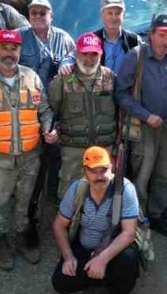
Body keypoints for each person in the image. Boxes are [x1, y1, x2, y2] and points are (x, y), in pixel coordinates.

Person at [0, 29, 57, 270]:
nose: (9, 53)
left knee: (25, 202)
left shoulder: (32, 77)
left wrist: (48, 128)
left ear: (19, 51)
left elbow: (45, 111)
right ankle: (0, 240)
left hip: (30, 158)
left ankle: (22, 235)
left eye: (14, 48)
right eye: (4, 47)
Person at [115, 15, 167, 237]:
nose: (166, 41)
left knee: (166, 175)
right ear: (151, 35)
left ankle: (155, 216)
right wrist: (146, 115)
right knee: (142, 176)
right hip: (144, 127)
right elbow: (120, 93)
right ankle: (136, 220)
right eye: (162, 35)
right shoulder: (135, 57)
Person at [52, 146, 142, 294]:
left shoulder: (125, 189)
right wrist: (68, 257)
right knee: (60, 282)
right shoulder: (77, 190)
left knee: (129, 259)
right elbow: (59, 225)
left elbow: (129, 233)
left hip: (112, 249)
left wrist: (102, 259)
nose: (99, 176)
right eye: (93, 171)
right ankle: (100, 277)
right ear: (85, 172)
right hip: (83, 248)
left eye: (104, 170)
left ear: (113, 168)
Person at [20, 0, 76, 201]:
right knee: (30, 157)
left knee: (55, 155)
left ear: (51, 16)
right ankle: (28, 198)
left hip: (56, 108)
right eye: (34, 12)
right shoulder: (19, 37)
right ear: (28, 15)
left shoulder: (64, 38)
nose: (38, 16)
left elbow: (77, 60)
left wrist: (67, 64)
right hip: (26, 108)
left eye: (43, 13)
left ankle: (51, 198)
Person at [50, 32, 119, 194]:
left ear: (101, 54)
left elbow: (121, 112)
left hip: (105, 148)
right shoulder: (63, 79)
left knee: (103, 192)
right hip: (73, 149)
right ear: (76, 53)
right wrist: (51, 130)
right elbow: (50, 110)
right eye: (84, 53)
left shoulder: (110, 77)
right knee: (70, 192)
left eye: (94, 54)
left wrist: (117, 148)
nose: (89, 59)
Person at [60, 0, 143, 75]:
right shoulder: (91, 39)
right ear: (102, 15)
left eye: (117, 13)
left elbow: (148, 58)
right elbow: (72, 56)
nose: (114, 17)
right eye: (110, 13)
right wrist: (66, 64)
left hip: (126, 88)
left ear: (123, 15)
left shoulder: (134, 40)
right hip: (100, 88)